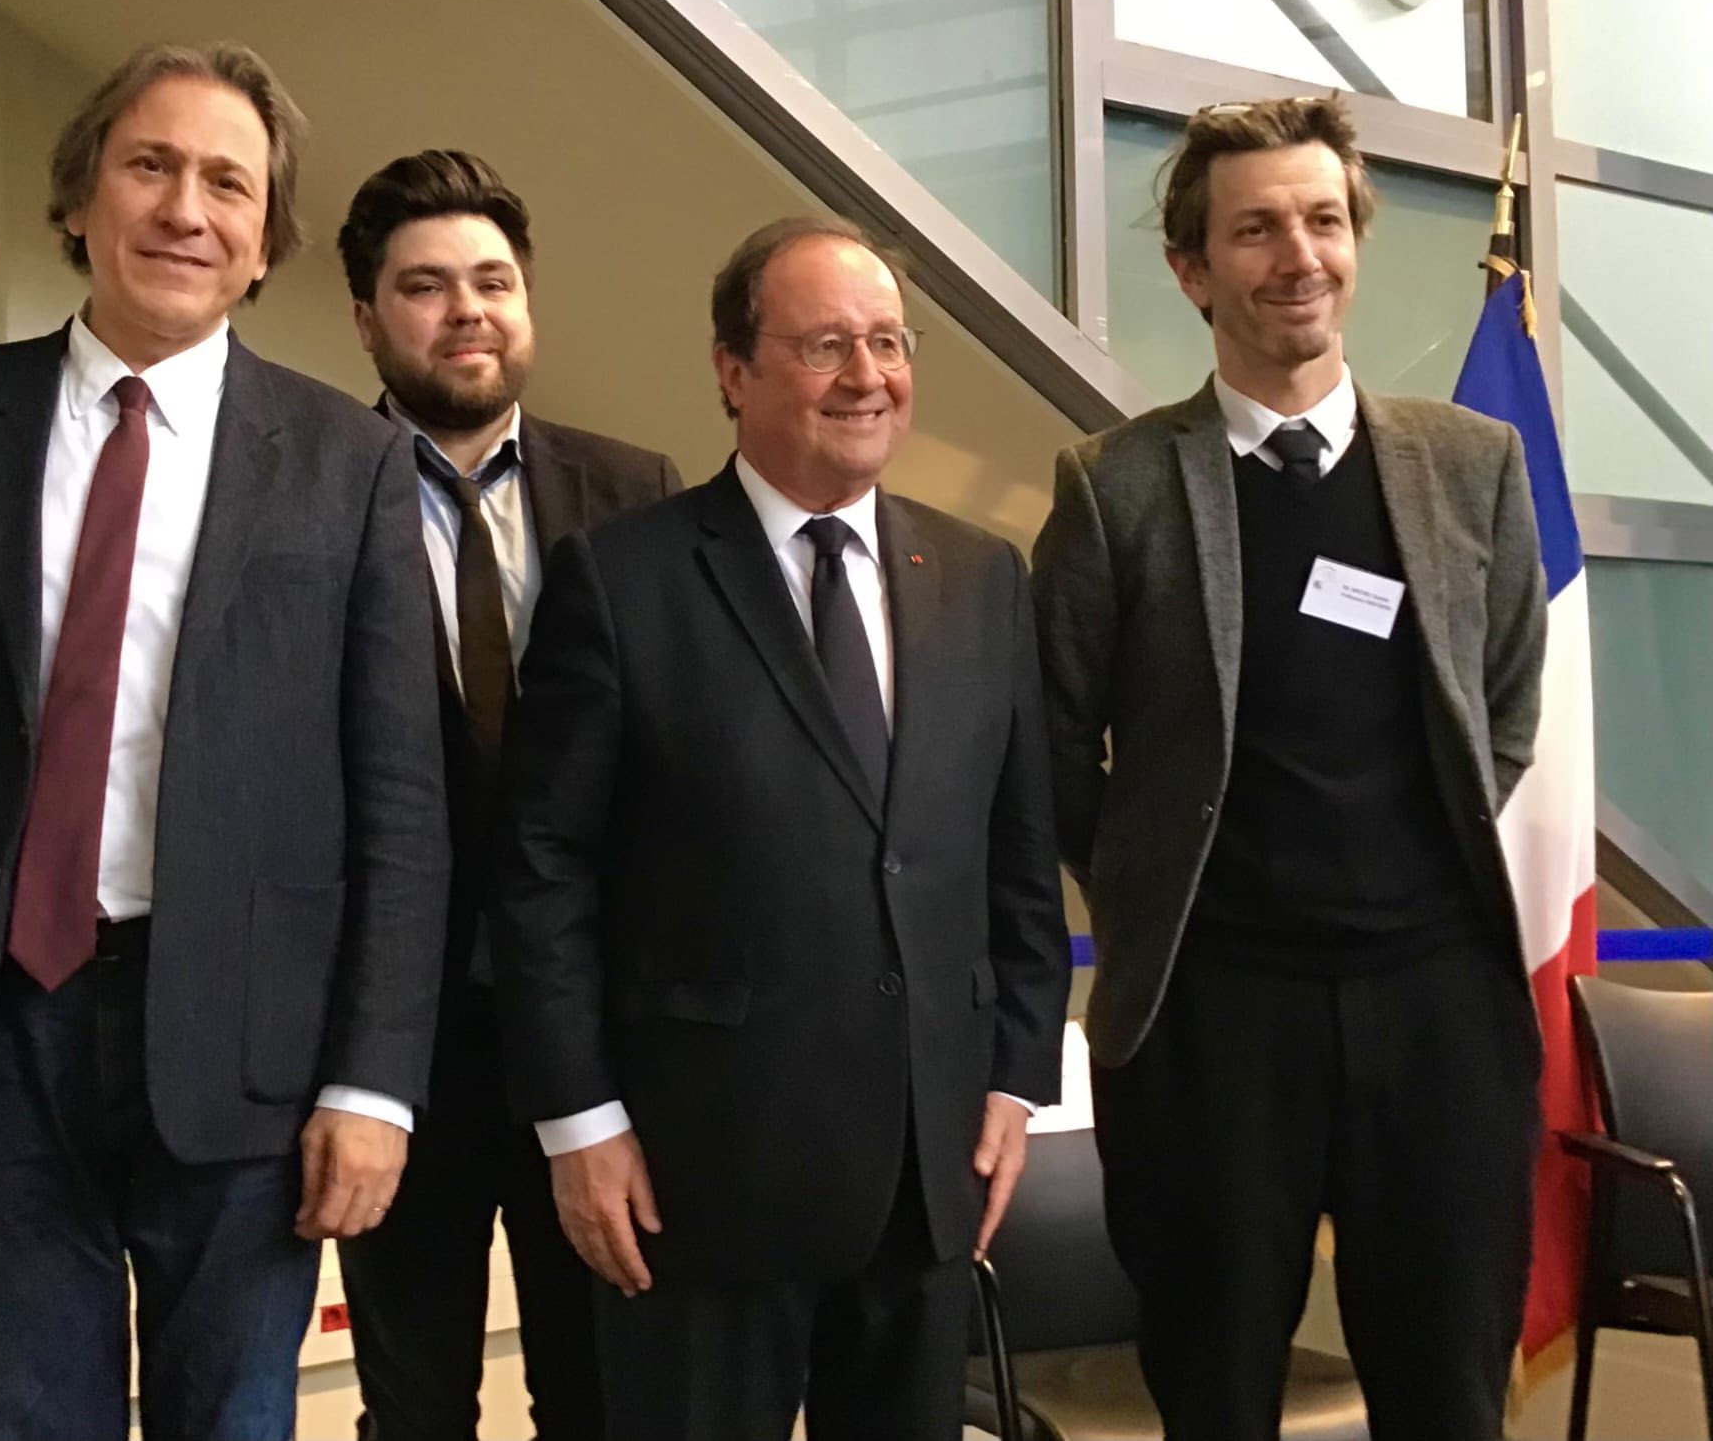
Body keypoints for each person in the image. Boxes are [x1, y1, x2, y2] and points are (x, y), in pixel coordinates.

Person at [0, 43, 449, 1441]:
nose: (187, 209)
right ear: (80, 198)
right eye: (150, 166)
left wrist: (374, 1079)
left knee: (232, 1421)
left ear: (265, 239)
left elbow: (399, 800)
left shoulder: (350, 462)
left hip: (247, 1046)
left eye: (228, 184)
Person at [494, 216, 1071, 1441]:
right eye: (823, 346)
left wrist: (1015, 1076)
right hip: (696, 1183)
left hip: (925, 1176)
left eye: (888, 342)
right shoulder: (621, 579)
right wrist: (578, 1123)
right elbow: (543, 874)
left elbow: (1017, 857)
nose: (867, 376)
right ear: (731, 368)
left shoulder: (981, 576)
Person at [1030, 96, 1547, 1441]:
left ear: (1355, 244)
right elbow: (1052, 747)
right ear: (1192, 269)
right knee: (1214, 1397)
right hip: (1211, 1022)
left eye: (1323, 220)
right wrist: (1147, 875)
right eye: (1254, 229)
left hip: (1437, 1012)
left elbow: (1502, 707)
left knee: (1450, 1401)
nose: (1297, 255)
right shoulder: (1112, 486)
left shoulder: (1473, 464)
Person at [331, 149, 681, 1441]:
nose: (467, 310)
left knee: (603, 1395)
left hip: (595, 1037)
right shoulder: (308, 491)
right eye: (425, 286)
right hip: (393, 1040)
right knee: (413, 1403)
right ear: (366, 318)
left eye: (493, 281)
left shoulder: (636, 493)